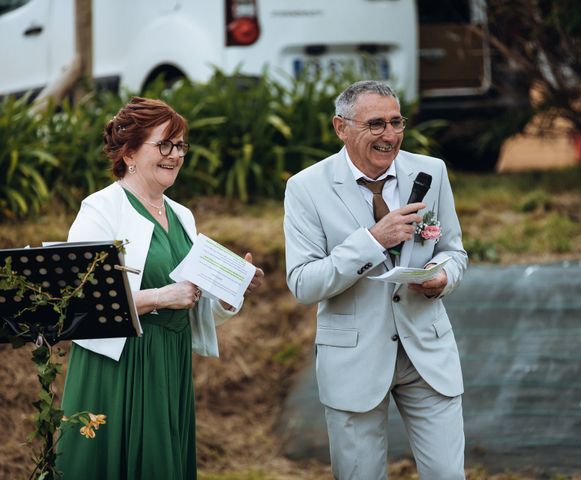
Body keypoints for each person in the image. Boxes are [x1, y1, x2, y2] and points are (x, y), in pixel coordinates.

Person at [56, 96, 264, 479]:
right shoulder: (100, 210)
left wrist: (229, 290)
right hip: (119, 363)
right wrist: (160, 298)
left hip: (169, 358)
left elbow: (192, 297)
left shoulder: (182, 214)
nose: (175, 155)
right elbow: (77, 303)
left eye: (180, 145)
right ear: (129, 152)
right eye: (164, 144)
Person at [283, 81, 467, 479]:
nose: (390, 135)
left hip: (427, 352)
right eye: (376, 124)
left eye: (396, 122)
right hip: (352, 358)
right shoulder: (305, 188)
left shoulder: (431, 171)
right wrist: (371, 241)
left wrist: (443, 277)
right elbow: (303, 283)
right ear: (340, 127)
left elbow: (454, 250)